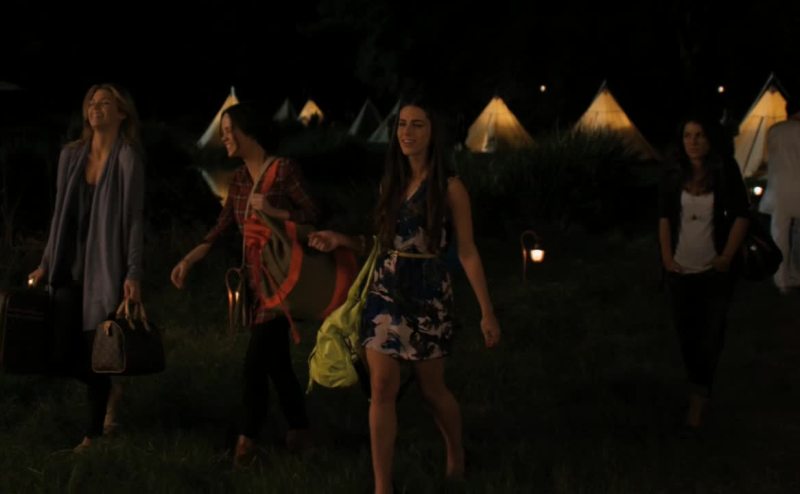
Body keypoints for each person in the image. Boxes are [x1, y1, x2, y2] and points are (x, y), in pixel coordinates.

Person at [308, 97, 501, 493]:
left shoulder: (450, 188)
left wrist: (487, 311)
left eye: (417, 125)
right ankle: (383, 486)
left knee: (432, 391)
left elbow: (467, 251)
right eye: (401, 125)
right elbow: (382, 243)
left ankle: (455, 453)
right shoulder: (391, 184)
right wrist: (341, 239)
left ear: (433, 133)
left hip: (427, 296)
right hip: (385, 292)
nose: (407, 133)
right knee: (381, 387)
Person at [170, 103, 318, 467]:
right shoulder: (237, 180)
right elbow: (222, 227)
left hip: (283, 284)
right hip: (255, 285)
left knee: (254, 365)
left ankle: (246, 444)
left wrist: (275, 211)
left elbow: (313, 214)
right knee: (277, 364)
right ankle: (300, 430)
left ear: (247, 131)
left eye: (227, 131)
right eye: (222, 132)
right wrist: (189, 259)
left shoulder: (283, 170)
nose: (223, 138)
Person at [28, 83, 145, 451]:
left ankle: (92, 436)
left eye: (105, 102)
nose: (96, 108)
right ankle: (110, 387)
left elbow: (134, 220)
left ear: (121, 113)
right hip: (67, 266)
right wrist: (45, 263)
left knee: (96, 350)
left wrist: (133, 272)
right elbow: (59, 213)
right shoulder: (71, 155)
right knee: (59, 353)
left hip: (104, 270)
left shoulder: (127, 158)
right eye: (92, 102)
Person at [658, 115, 750, 430]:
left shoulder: (724, 171)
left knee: (711, 335)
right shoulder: (674, 172)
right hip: (680, 271)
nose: (693, 141)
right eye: (688, 135)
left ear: (710, 139)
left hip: (714, 272)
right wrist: (667, 258)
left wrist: (726, 256)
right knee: (687, 336)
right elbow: (664, 218)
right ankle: (697, 384)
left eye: (699, 135)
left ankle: (699, 397)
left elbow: (741, 215)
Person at [759, 98, 800, 293]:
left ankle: (781, 279)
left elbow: (769, 158)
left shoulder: (774, 130)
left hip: (777, 190)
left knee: (779, 236)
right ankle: (795, 273)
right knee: (796, 235)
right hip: (797, 189)